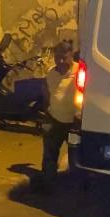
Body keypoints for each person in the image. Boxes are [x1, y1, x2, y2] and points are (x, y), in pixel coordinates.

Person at [37, 40, 78, 193]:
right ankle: (48, 186)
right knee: (49, 155)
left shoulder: (80, 71)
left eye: (64, 58)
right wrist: (47, 111)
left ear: (71, 55)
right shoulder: (51, 73)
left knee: (75, 156)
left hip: (75, 123)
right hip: (55, 120)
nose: (60, 61)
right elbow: (46, 93)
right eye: (57, 58)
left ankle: (74, 188)